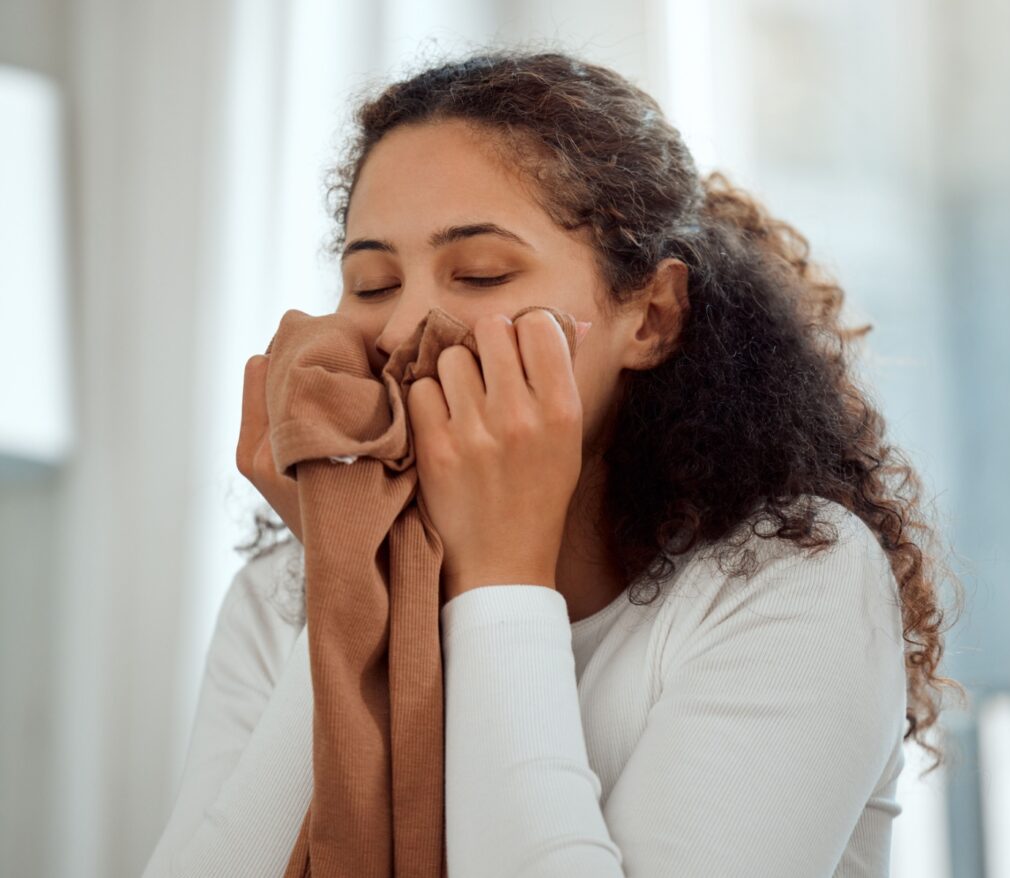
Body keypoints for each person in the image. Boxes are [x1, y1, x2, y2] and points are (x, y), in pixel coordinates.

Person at [142, 48, 965, 877]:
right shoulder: (280, 592)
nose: (400, 331)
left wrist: (500, 574)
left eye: (481, 274)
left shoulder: (791, 577)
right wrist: (352, 583)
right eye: (373, 283)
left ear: (652, 317)